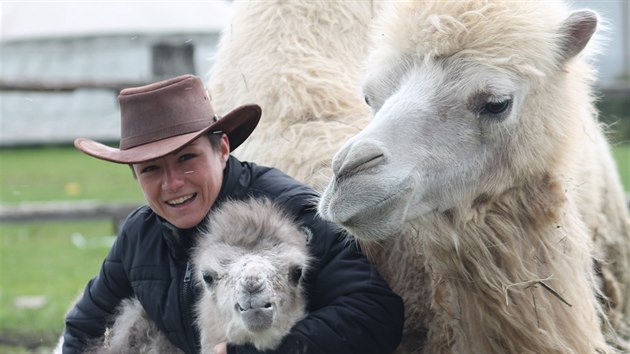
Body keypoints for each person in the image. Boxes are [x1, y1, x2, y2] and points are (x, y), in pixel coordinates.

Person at [62, 74, 404, 354]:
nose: (172, 184)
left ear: (222, 149)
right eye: (151, 169)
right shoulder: (142, 235)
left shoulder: (287, 212)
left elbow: (373, 313)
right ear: (135, 176)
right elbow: (85, 325)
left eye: (187, 158)